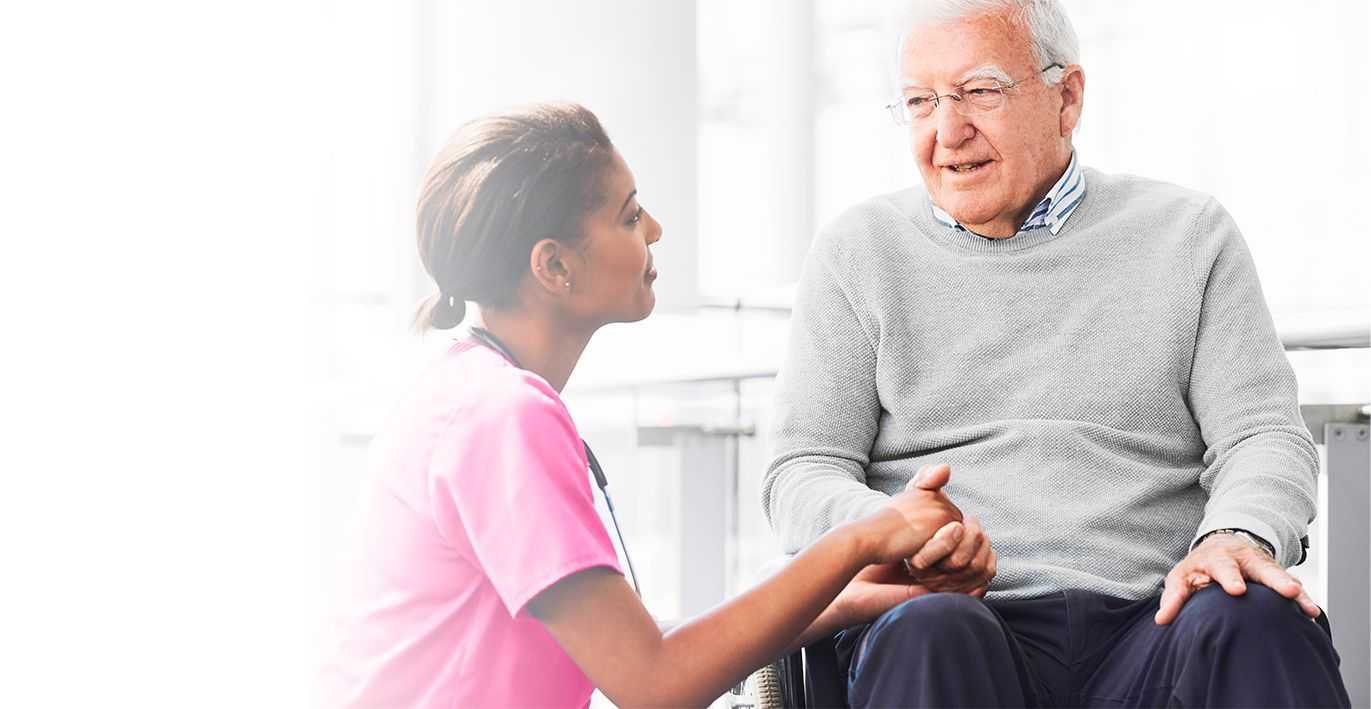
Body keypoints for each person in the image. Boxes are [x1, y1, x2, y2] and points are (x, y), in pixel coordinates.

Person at [762, 1, 1351, 706]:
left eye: (979, 91)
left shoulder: (1187, 235)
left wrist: (1235, 533)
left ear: (1066, 96)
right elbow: (801, 468)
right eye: (921, 102)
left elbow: (1262, 435)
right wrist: (887, 530)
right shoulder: (856, 252)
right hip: (952, 617)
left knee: (1253, 614)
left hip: (1155, 616)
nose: (947, 132)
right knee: (931, 628)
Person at [318, 103, 976, 709]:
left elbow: (623, 644)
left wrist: (835, 600)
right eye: (629, 216)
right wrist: (864, 532)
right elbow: (654, 682)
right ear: (553, 267)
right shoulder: (500, 416)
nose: (655, 229)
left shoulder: (467, 393)